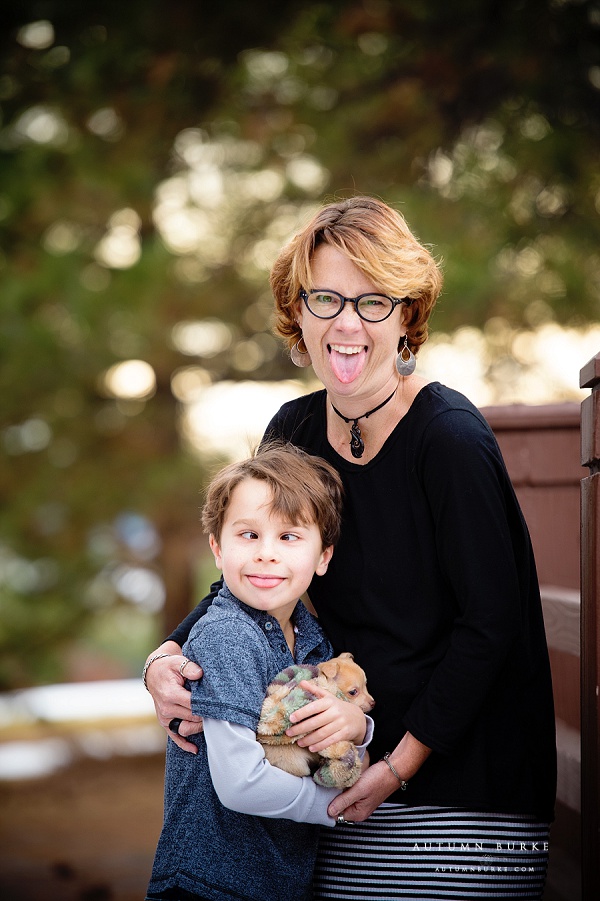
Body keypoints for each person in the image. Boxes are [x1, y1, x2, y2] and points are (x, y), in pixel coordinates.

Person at [145, 196, 557, 899]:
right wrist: (165, 656)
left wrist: (394, 766)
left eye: (372, 302)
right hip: (339, 782)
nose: (346, 322)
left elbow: (491, 628)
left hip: (457, 796)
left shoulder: (449, 440)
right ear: (296, 312)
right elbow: (253, 576)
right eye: (326, 297)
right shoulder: (293, 430)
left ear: (407, 316)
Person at [145, 443, 373, 901]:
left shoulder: (312, 639)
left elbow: (331, 741)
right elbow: (241, 784)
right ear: (217, 547)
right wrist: (338, 807)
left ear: (323, 556)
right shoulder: (227, 635)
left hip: (278, 883)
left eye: (289, 537)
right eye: (248, 535)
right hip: (208, 885)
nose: (266, 553)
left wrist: (359, 728)